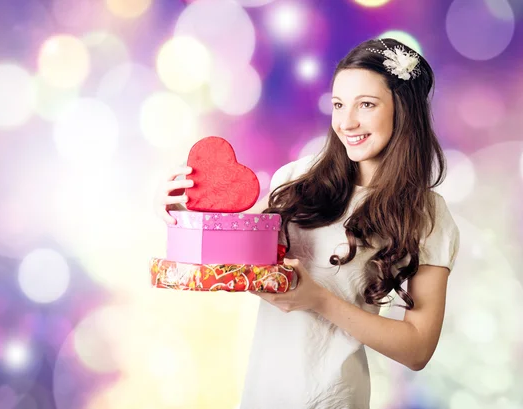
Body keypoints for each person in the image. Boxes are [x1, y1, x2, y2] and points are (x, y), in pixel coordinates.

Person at [154, 38, 460, 409]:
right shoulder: (297, 179)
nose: (346, 122)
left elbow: (417, 349)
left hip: (335, 398)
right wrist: (184, 214)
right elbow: (232, 259)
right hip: (262, 394)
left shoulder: (427, 214)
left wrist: (318, 300)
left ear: (403, 109)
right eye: (338, 105)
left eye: (366, 104)